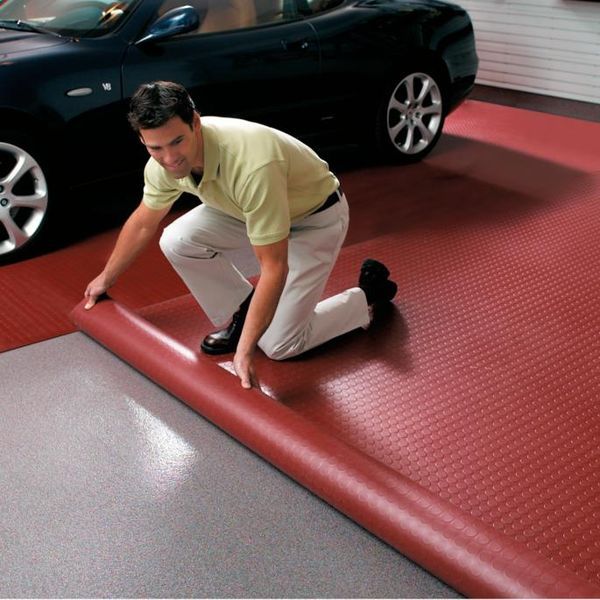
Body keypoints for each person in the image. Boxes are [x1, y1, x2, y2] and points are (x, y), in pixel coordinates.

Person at [84, 81, 397, 389]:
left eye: (177, 141)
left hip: (314, 219)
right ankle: (244, 313)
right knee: (176, 240)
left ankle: (367, 295)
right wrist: (106, 277)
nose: (169, 158)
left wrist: (246, 351)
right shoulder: (162, 166)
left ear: (195, 122)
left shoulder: (252, 163)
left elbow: (274, 266)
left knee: (281, 345)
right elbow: (142, 223)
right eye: (156, 148)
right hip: (242, 210)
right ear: (142, 140)